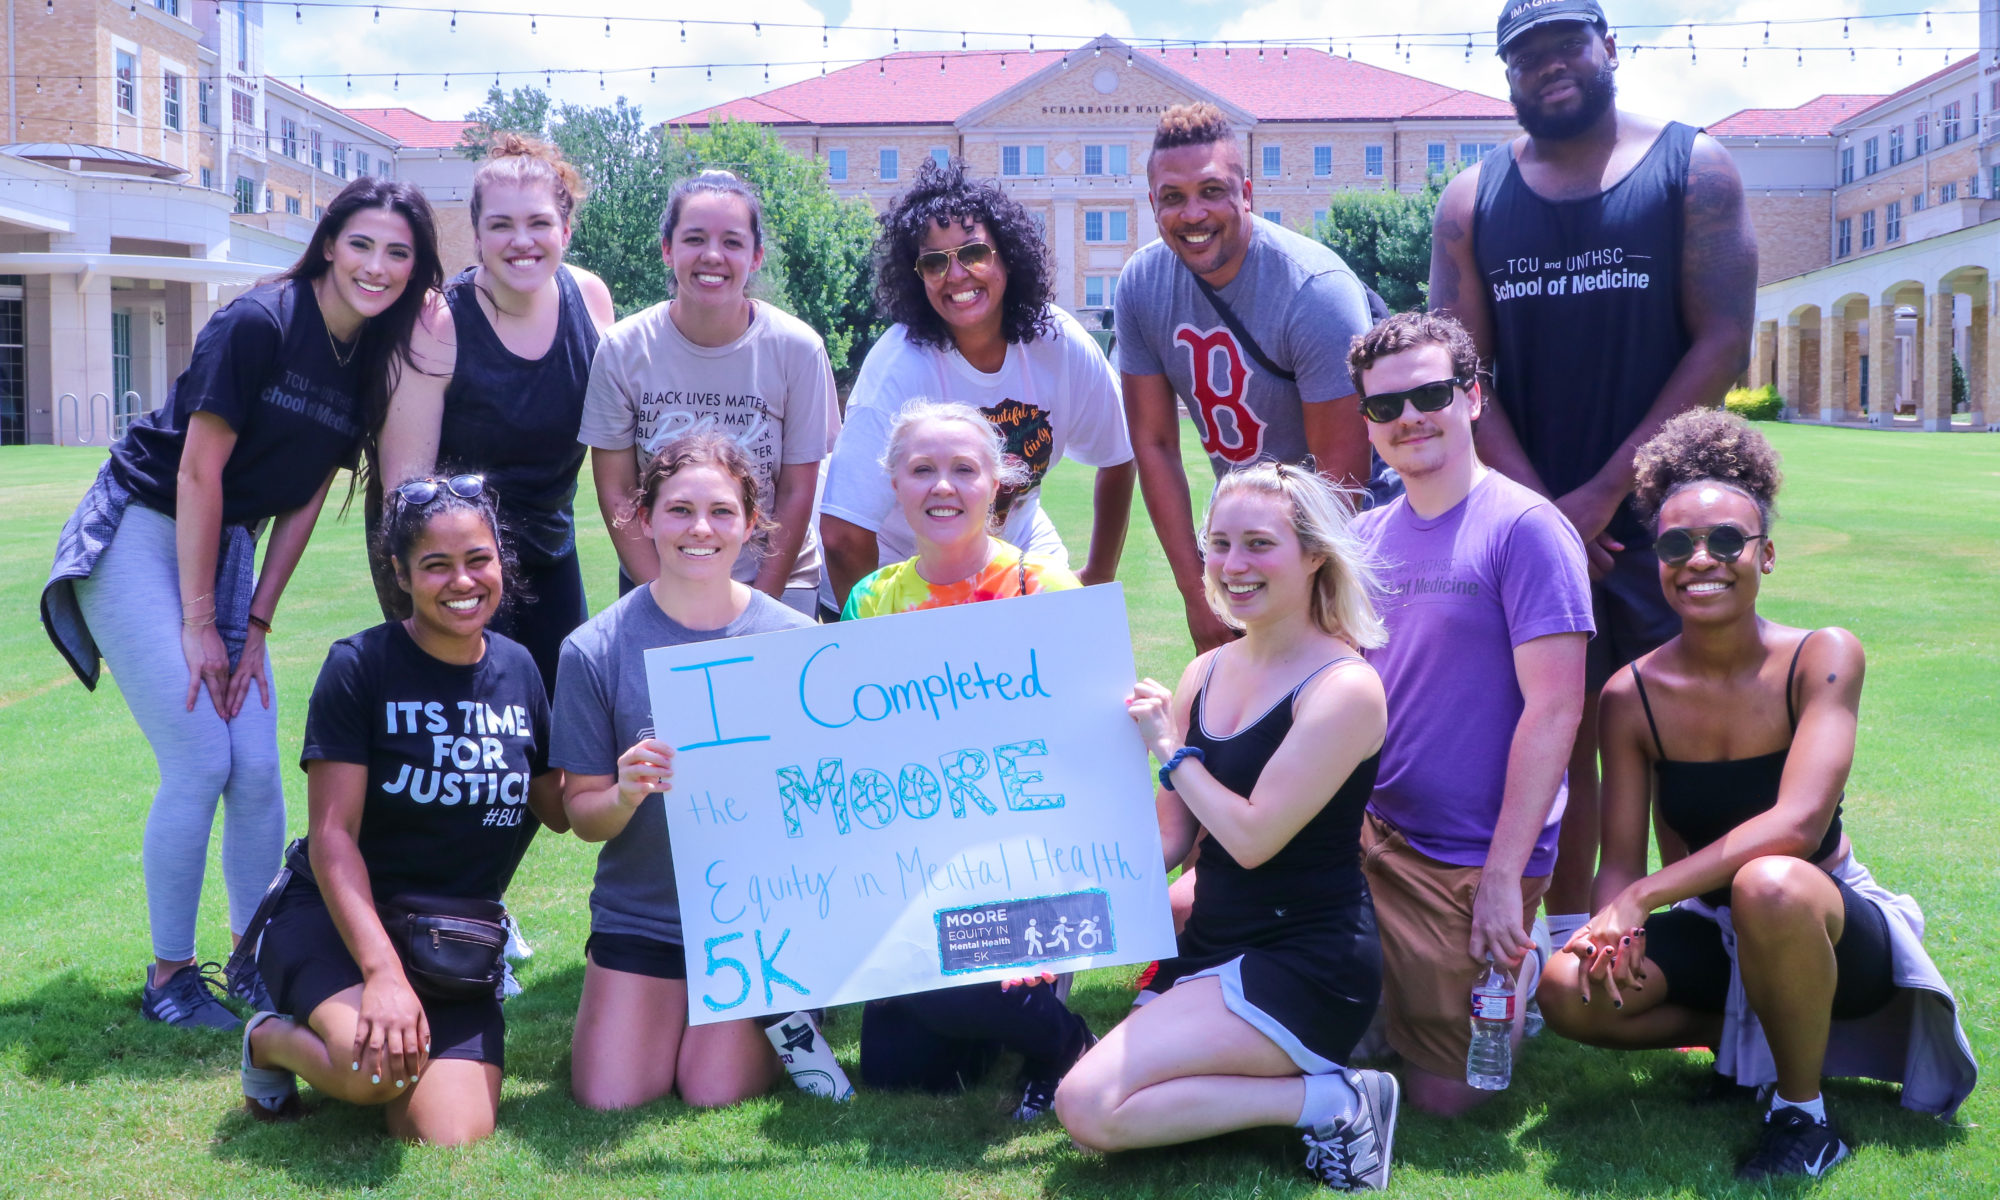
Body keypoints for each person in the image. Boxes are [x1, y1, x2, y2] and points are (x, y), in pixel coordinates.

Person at [41, 178, 442, 1030]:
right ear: (329, 242)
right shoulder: (259, 320)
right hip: (142, 534)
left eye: (399, 253)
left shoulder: (370, 356)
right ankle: (169, 980)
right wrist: (197, 623)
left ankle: (257, 960)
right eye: (363, 244)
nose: (378, 266)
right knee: (200, 757)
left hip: (227, 550)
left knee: (259, 769)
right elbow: (197, 471)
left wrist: (254, 625)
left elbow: (300, 503)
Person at [1537, 410, 1976, 1181]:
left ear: (1764, 555)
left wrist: (1643, 895)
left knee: (1766, 883)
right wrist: (1610, 929)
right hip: (1715, 929)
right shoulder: (1629, 695)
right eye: (1677, 545)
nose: (1700, 559)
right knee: (1566, 988)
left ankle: (1803, 1116)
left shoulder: (1823, 656)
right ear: (1659, 559)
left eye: (1726, 542)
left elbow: (1799, 824)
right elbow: (1617, 860)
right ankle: (1756, 1041)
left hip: (1825, 920)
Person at [1428, 0, 1757, 942]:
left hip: (1667, 517)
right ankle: (1559, 941)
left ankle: (1707, 945)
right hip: (1527, 516)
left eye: (1566, 44)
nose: (1548, 66)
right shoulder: (1473, 199)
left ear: (1609, 47)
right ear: (1507, 75)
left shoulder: (1693, 168)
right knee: (1551, 731)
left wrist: (1607, 494)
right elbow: (1460, 370)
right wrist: (1543, 513)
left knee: (1687, 732)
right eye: (1524, 55)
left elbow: (1722, 342)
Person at [1054, 462, 1398, 1192]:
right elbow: (1173, 840)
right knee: (1107, 1099)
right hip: (1216, 943)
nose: (1234, 566)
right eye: (1220, 544)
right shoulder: (1205, 672)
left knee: (1086, 1107)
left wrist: (1170, 752)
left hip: (1305, 962)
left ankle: (1337, 1100)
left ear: (1314, 556)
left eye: (1259, 544)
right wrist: (1060, 914)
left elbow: (1249, 836)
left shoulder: (1346, 688)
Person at [239, 475, 568, 1144]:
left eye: (478, 559)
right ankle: (268, 1041)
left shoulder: (519, 668)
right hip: (340, 922)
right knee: (372, 1075)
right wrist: (382, 974)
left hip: (453, 941)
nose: (462, 581)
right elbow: (333, 837)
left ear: (500, 560)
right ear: (400, 573)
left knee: (446, 1134)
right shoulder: (360, 667)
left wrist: (629, 771)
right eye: (436, 565)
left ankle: (383, 1033)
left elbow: (557, 808)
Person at [1345, 312, 1592, 1116]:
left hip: (1466, 862)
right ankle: (1387, 989)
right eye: (1386, 406)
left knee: (1448, 1103)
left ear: (1472, 396)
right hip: (1370, 838)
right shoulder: (1363, 538)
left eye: (1430, 394)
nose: (1409, 417)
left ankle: (1505, 967)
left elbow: (1555, 711)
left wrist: (1499, 881)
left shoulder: (1528, 530)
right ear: (1369, 423)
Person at [841, 401, 1096, 1121]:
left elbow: (1083, 745)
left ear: (999, 484)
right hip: (918, 867)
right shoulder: (872, 600)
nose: (942, 487)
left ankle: (1065, 1038)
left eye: (963, 469)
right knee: (899, 1072)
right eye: (922, 470)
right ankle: (997, 1018)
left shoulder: (1043, 589)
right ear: (895, 483)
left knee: (959, 996)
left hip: (1024, 870)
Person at [552, 432, 811, 1110]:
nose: (701, 529)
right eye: (678, 510)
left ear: (752, 524)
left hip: (757, 919)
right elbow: (581, 816)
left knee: (711, 1089)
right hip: (643, 916)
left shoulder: (795, 645)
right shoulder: (593, 650)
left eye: (723, 512)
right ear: (644, 519)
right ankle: (661, 1008)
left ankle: (791, 1005)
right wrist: (625, 792)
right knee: (612, 1097)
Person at [1116, 101, 1376, 655]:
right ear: (1152, 205)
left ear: (1247, 194)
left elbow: (1342, 484)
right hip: (1244, 537)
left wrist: (1301, 604)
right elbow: (1155, 443)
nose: (1192, 214)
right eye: (1172, 198)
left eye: (1211, 191)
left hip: (1337, 551)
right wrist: (1198, 595)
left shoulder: (1315, 290)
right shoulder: (1141, 283)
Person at [820, 156, 1134, 608]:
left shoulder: (1058, 342)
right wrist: (885, 643)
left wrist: (1099, 576)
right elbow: (843, 536)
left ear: (1006, 255)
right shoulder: (898, 369)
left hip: (1011, 557)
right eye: (933, 263)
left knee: (1069, 655)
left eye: (972, 253)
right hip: (896, 570)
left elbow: (1119, 455)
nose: (956, 275)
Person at [377, 135, 615, 695]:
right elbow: (403, 491)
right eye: (502, 225)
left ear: (566, 229)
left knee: (561, 744)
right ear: (478, 234)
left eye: (539, 223)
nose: (522, 241)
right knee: (475, 752)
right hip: (456, 565)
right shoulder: (438, 320)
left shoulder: (592, 299)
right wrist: (432, 593)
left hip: (554, 555)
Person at [580, 170, 837, 617]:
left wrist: (759, 610)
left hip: (776, 579)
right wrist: (666, 601)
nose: (712, 256)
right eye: (695, 239)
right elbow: (618, 490)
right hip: (657, 577)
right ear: (668, 249)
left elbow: (797, 492)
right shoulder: (623, 349)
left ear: (756, 257)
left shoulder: (798, 349)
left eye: (733, 242)